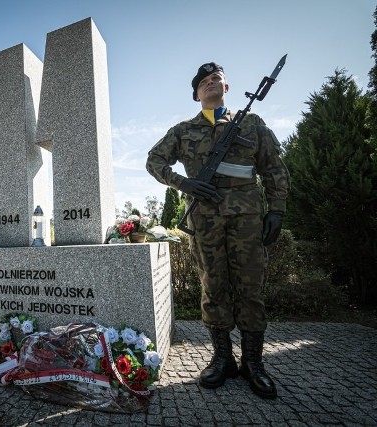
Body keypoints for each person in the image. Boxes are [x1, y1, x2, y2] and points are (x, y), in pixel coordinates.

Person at [146, 62, 290, 399]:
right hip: (205, 223)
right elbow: (154, 161)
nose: (212, 82)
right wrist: (186, 184)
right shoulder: (183, 130)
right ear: (197, 93)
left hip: (247, 221)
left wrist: (277, 211)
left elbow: (274, 169)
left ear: (227, 88)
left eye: (218, 79)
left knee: (251, 289)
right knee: (213, 287)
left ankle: (254, 362)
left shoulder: (252, 124)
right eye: (205, 81)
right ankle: (222, 358)